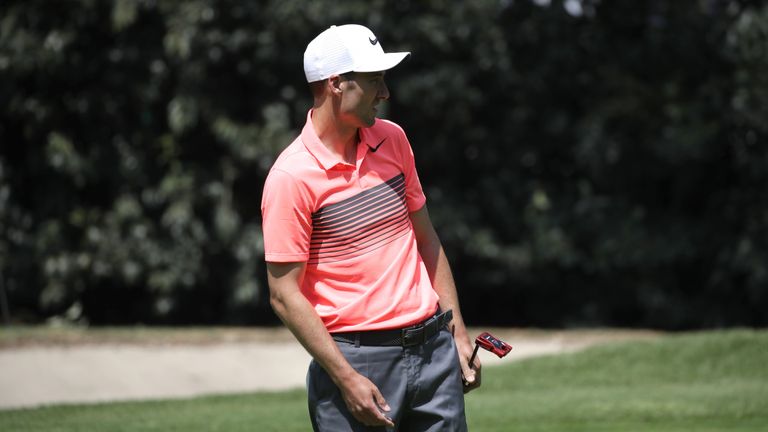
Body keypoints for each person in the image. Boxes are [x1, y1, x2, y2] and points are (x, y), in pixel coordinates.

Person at [261, 24, 480, 431]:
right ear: (336, 84)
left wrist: (458, 335)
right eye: (375, 80)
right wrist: (345, 377)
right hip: (357, 362)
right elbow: (283, 294)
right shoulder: (291, 177)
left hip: (434, 349)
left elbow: (426, 240)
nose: (385, 93)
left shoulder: (393, 139)